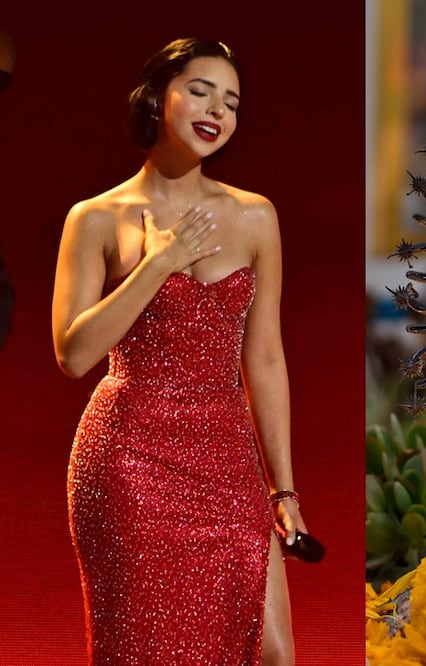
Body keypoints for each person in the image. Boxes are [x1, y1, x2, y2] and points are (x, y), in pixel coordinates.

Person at [51, 38, 303, 665]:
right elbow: (73, 354)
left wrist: (285, 490)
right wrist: (159, 264)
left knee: (273, 654)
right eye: (199, 89)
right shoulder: (97, 218)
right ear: (157, 98)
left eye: (232, 101)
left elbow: (265, 358)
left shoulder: (254, 216)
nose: (217, 109)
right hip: (128, 459)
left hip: (225, 457)